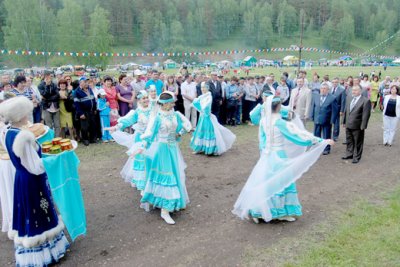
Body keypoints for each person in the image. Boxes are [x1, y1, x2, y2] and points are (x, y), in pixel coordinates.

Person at [233, 96, 332, 223]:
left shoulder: (264, 121)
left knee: (264, 183)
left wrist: (266, 149)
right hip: (279, 156)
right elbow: (298, 135)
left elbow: (262, 139)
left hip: (267, 156)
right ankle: (279, 212)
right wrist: (321, 141)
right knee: (282, 183)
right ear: (279, 107)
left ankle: (258, 210)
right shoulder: (280, 123)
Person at [0, 97, 69, 266]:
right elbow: (35, 166)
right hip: (32, 180)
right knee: (39, 212)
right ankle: (45, 252)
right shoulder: (23, 136)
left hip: (21, 179)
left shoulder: (7, 132)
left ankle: (36, 250)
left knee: (28, 213)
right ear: (21, 114)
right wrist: (55, 157)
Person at [137, 91, 192, 225]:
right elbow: (150, 134)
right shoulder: (157, 118)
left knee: (175, 174)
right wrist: (142, 146)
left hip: (173, 149)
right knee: (167, 177)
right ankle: (165, 210)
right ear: (166, 104)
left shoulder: (175, 114)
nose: (174, 104)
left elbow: (186, 126)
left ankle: (173, 202)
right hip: (162, 150)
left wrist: (179, 133)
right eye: (171, 102)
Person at [109, 90, 153, 195]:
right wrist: (117, 126)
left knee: (151, 158)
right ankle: (141, 183)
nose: (146, 100)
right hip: (140, 139)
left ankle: (151, 180)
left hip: (151, 138)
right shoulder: (137, 112)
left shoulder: (154, 110)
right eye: (144, 98)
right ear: (139, 100)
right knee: (140, 159)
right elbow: (127, 121)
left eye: (147, 97)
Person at [190, 82, 236, 155]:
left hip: (207, 116)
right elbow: (197, 102)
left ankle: (210, 149)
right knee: (201, 131)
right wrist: (198, 105)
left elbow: (207, 106)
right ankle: (200, 148)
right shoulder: (202, 96)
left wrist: (203, 110)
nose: (203, 89)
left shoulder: (209, 96)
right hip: (202, 116)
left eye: (204, 87)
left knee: (208, 131)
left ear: (207, 88)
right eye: (202, 87)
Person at [342, 85, 371, 164]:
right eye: (352, 90)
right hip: (348, 124)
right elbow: (346, 110)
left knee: (358, 142)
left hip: (358, 126)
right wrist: (344, 121)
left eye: (355, 90)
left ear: (360, 91)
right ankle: (349, 154)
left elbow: (366, 115)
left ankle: (357, 157)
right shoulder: (349, 98)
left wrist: (363, 126)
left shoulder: (365, 101)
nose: (353, 92)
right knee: (349, 140)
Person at [310, 83, 338, 155]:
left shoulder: (332, 98)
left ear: (328, 90)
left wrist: (332, 120)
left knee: (326, 136)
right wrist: (312, 116)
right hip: (317, 119)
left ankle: (326, 149)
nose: (323, 90)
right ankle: (317, 147)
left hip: (327, 120)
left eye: (325, 89)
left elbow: (335, 111)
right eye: (321, 88)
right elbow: (313, 107)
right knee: (316, 135)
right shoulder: (316, 96)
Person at [74, 76, 97, 146]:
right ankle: (85, 140)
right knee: (84, 127)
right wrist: (81, 114)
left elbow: (93, 99)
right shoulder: (77, 92)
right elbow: (76, 104)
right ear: (80, 83)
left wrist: (95, 108)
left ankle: (92, 139)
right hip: (84, 112)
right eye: (85, 82)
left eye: (87, 82)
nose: (87, 83)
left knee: (92, 125)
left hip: (91, 111)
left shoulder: (89, 89)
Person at [39, 71, 61, 137]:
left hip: (55, 106)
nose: (50, 78)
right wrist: (47, 86)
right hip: (47, 107)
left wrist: (48, 98)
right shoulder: (41, 85)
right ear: (45, 76)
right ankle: (51, 138)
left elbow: (57, 95)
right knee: (49, 125)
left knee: (57, 125)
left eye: (51, 76)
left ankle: (57, 138)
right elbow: (44, 94)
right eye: (49, 76)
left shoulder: (54, 84)